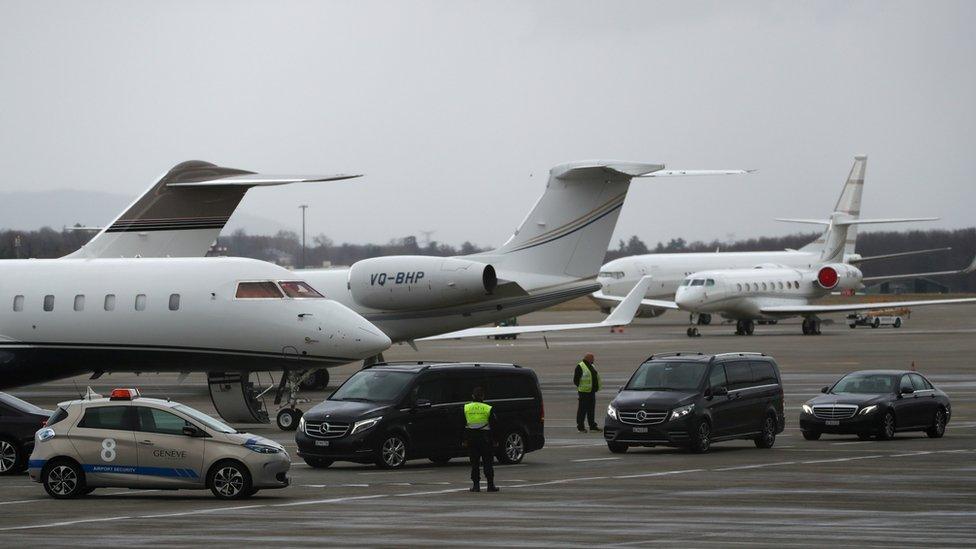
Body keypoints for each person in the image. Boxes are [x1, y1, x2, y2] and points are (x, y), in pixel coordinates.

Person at [464, 386, 498, 492]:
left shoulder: (466, 408)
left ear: (473, 396)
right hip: (485, 439)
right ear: (483, 396)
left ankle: (476, 486)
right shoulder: (488, 408)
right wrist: (495, 440)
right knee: (488, 462)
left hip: (471, 438)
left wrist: (464, 440)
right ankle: (490, 485)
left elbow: (461, 425)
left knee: (474, 463)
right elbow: (494, 425)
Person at [574, 353, 601, 432]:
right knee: (582, 410)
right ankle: (580, 427)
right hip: (584, 392)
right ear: (588, 358)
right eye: (592, 358)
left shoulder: (591, 366)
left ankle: (592, 426)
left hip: (591, 392)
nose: (594, 360)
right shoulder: (580, 366)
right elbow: (576, 380)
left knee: (591, 410)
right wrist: (581, 387)